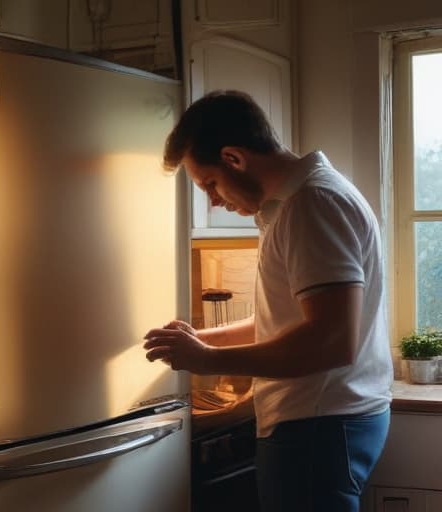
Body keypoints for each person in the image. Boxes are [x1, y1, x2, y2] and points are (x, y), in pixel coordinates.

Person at [143, 90, 393, 512]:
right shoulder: (297, 204)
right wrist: (204, 340)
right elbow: (290, 323)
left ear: (234, 158)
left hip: (319, 425)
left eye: (209, 183)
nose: (213, 200)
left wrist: (207, 361)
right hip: (329, 422)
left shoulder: (312, 206)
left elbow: (331, 341)